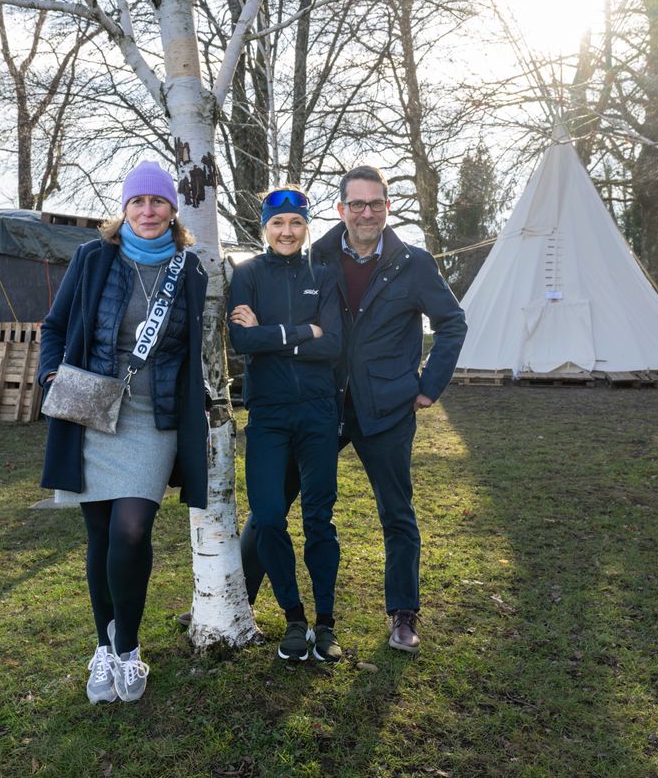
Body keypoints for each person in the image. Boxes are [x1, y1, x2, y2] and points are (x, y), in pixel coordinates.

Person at [239, 166, 466, 654]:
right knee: (268, 508)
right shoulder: (316, 254)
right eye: (356, 204)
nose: (366, 212)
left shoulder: (413, 263)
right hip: (320, 403)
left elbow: (453, 323)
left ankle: (403, 613)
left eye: (376, 203)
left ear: (387, 207)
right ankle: (235, 601)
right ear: (341, 210)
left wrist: (430, 385)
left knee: (396, 512)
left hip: (384, 407)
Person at [38, 160, 208, 703]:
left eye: (158, 202)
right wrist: (49, 373)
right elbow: (56, 325)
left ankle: (129, 650)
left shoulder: (191, 270)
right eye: (138, 202)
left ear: (173, 211)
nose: (148, 210)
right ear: (125, 209)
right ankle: (103, 648)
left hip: (151, 417)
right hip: (91, 410)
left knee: (132, 529)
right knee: (101, 535)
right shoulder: (93, 257)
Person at [228, 187, 345, 662]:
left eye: (296, 222)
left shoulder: (326, 275)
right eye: (277, 224)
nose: (287, 232)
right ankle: (293, 617)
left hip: (318, 412)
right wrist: (300, 334)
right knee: (270, 517)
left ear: (307, 226)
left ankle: (326, 624)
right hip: (269, 415)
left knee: (319, 519)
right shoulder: (249, 274)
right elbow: (242, 340)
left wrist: (269, 337)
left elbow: (334, 343)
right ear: (264, 229)